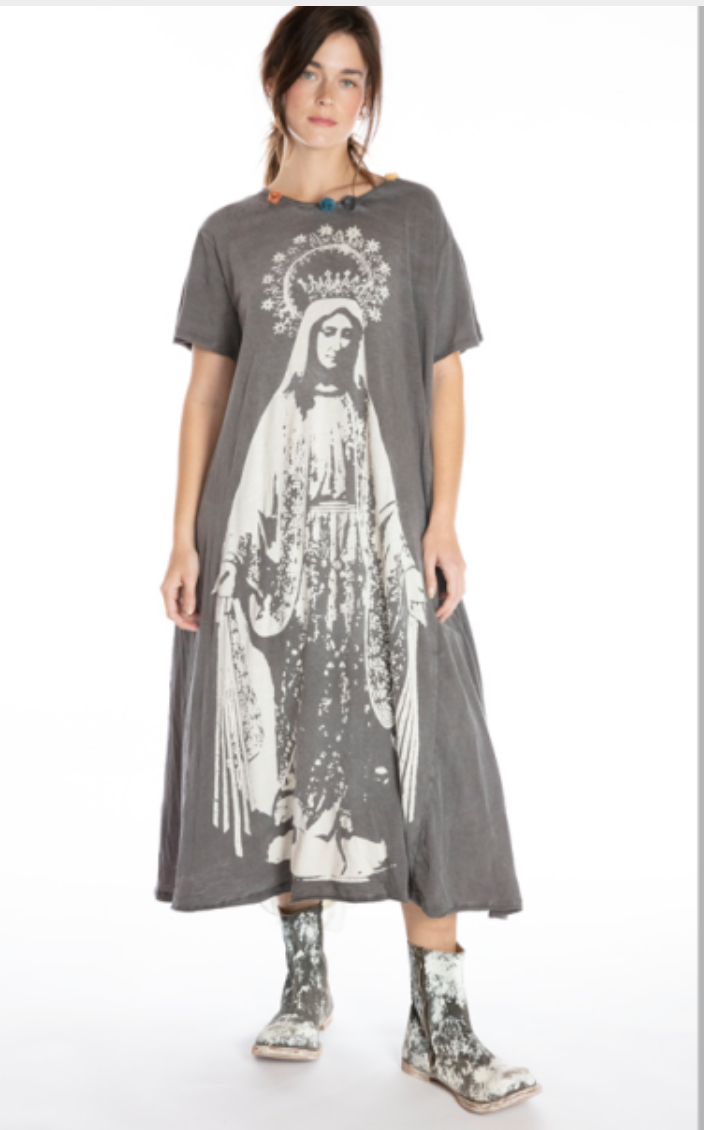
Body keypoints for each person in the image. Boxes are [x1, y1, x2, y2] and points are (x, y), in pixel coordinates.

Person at [156, 6, 541, 1116]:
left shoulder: (412, 217)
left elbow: (443, 372)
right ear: (274, 81)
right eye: (312, 74)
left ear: (369, 94)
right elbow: (210, 395)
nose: (330, 98)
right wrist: (184, 536)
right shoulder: (230, 235)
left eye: (352, 78)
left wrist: (442, 519)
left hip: (386, 544)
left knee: (428, 757)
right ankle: (304, 981)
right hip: (267, 547)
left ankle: (439, 1021)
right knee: (286, 737)